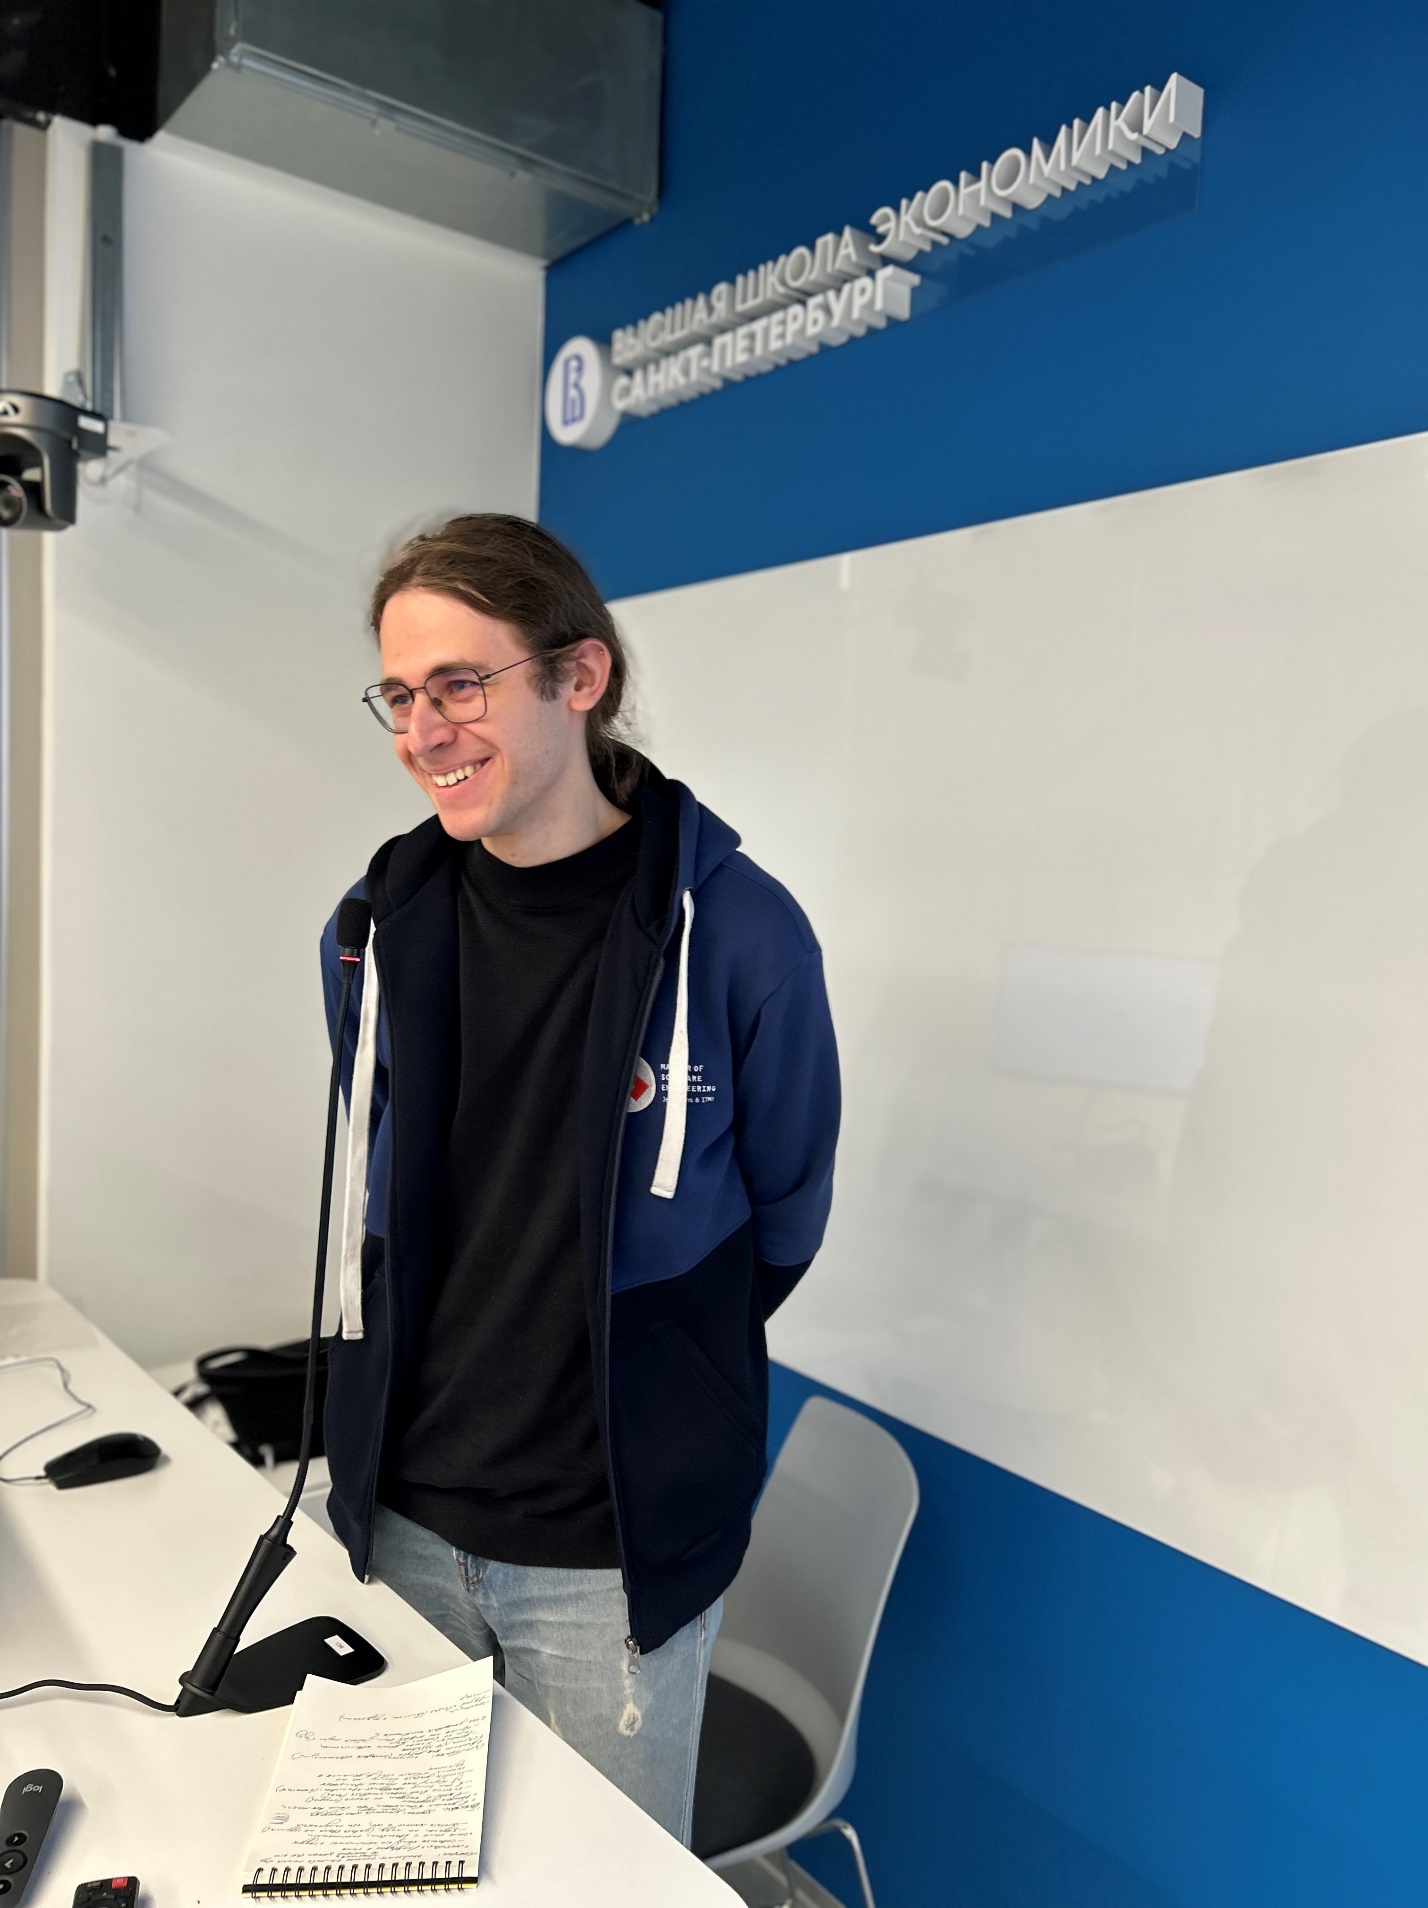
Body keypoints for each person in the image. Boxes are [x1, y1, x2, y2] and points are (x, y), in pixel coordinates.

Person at [319, 514, 839, 1844]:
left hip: (609, 1555)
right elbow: (390, 1195)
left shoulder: (740, 933)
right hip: (403, 1517)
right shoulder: (374, 930)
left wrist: (667, 1355)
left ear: (579, 676)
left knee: (593, 1882)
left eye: (460, 685)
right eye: (400, 695)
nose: (422, 732)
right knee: (402, 1872)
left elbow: (784, 1216)